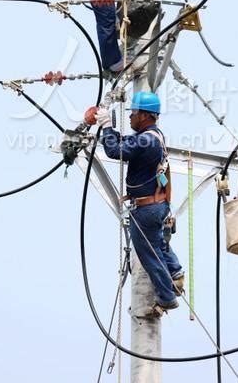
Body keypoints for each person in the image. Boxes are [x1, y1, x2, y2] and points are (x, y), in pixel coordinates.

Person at [96, 91, 184, 312]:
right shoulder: (153, 136)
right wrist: (109, 131)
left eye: (133, 113)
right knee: (158, 244)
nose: (130, 117)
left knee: (149, 254)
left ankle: (166, 296)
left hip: (147, 208)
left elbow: (115, 151)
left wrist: (107, 126)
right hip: (157, 205)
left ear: (144, 115)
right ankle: (175, 273)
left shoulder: (146, 140)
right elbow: (127, 142)